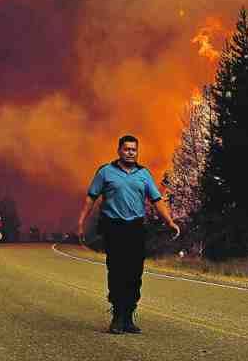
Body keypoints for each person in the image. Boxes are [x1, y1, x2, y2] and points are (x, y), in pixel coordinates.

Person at [77, 135, 180, 334]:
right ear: (119, 150)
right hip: (113, 227)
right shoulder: (105, 172)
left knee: (135, 273)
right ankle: (117, 316)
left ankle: (128, 315)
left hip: (135, 228)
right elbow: (91, 198)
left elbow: (157, 200)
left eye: (134, 150)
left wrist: (169, 221)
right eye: (127, 149)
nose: (130, 153)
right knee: (116, 271)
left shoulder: (143, 174)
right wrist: (81, 222)